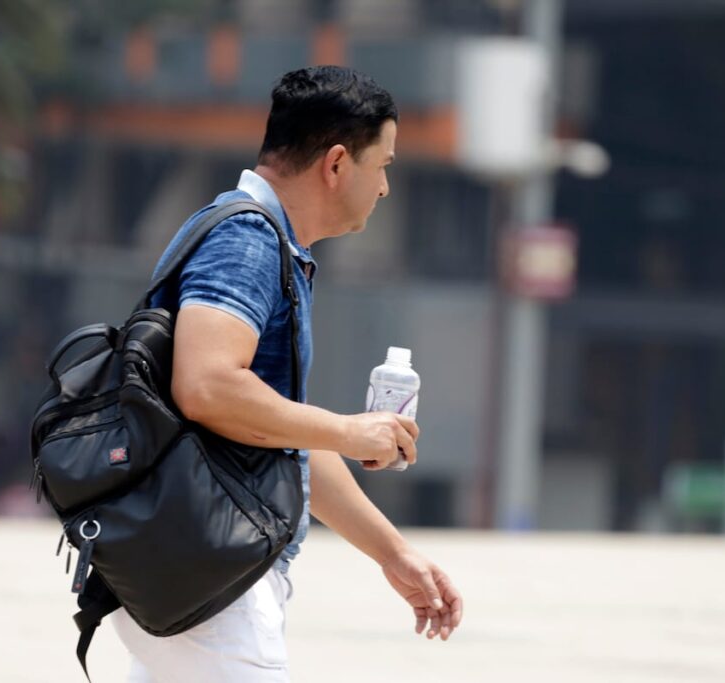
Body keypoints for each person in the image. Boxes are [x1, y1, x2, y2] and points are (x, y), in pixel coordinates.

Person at [110, 65, 464, 682]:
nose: (385, 188)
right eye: (383, 165)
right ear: (337, 164)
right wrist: (349, 431)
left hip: (191, 564)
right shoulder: (248, 240)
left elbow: (279, 432)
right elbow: (207, 386)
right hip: (211, 575)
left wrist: (393, 553)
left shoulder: (258, 237)